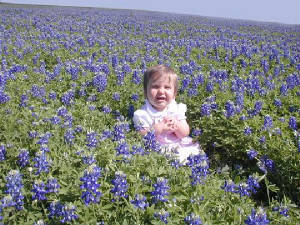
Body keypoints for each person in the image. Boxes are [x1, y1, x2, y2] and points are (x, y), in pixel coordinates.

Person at [133, 64, 201, 163]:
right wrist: (158, 128)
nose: (161, 91)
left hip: (178, 145)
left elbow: (185, 133)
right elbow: (140, 135)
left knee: (191, 155)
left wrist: (177, 126)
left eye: (167, 87)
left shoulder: (176, 109)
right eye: (155, 87)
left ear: (174, 94)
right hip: (156, 148)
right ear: (145, 92)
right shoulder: (142, 114)